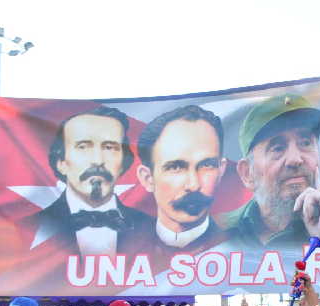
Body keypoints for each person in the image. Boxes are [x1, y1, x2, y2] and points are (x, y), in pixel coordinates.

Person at [225, 94, 320, 247]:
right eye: (278, 148)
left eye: (305, 143)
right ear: (247, 173)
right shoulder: (215, 233)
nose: (295, 159)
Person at [30, 107, 153, 257]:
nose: (97, 160)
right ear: (61, 163)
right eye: (83, 147)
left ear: (123, 163)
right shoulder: (27, 229)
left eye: (109, 147)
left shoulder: (153, 230)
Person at [136, 105, 227, 256]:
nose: (194, 185)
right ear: (147, 178)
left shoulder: (246, 248)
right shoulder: (120, 249)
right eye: (176, 167)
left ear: (221, 170)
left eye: (206, 165)